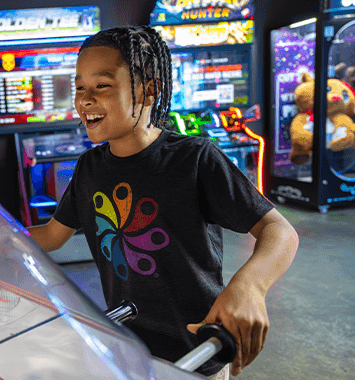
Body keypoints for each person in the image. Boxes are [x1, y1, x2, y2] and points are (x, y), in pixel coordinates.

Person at [27, 26, 298, 379]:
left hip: (200, 352)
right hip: (129, 350)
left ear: (149, 90)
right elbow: (51, 235)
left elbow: (280, 230)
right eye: (80, 87)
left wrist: (249, 286)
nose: (84, 100)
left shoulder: (195, 159)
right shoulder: (89, 168)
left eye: (102, 86)